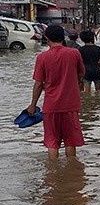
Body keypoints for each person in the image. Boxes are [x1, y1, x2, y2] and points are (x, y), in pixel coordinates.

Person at [26, 24, 85, 159]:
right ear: (63, 37)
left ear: (47, 39)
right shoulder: (74, 53)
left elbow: (38, 84)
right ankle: (72, 173)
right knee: (70, 141)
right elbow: (81, 73)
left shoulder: (42, 57)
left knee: (52, 142)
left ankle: (53, 174)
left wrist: (32, 105)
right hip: (70, 105)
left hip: (51, 106)